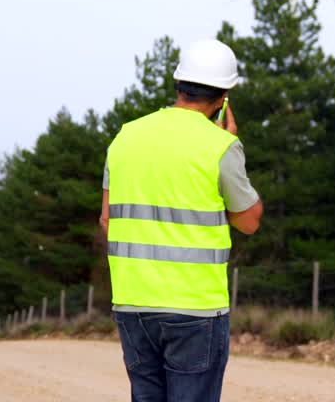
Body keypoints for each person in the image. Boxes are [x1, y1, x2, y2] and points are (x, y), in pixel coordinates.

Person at [100, 39, 263, 402]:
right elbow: (250, 221)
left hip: (133, 304)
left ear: (179, 85)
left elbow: (107, 220)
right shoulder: (220, 146)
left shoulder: (126, 136)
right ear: (223, 98)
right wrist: (228, 144)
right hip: (196, 309)